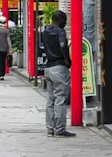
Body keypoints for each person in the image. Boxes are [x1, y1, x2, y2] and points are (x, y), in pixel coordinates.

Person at [40, 9, 75, 138]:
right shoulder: (60, 32)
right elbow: (62, 45)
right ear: (60, 20)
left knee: (50, 100)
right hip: (59, 67)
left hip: (48, 68)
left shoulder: (45, 32)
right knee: (60, 98)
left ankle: (50, 128)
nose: (65, 23)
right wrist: (67, 60)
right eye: (65, 20)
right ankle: (59, 129)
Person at [0, 16, 13, 80]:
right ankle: (3, 74)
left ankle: (0, 74)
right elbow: (8, 40)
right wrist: (10, 49)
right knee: (3, 61)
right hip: (5, 48)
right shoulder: (6, 30)